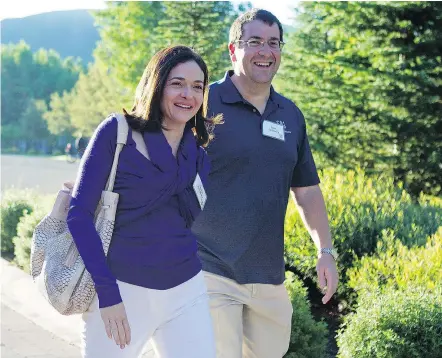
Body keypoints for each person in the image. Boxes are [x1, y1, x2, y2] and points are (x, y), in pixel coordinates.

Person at [191, 9, 339, 358]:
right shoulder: (202, 102)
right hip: (206, 267)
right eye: (254, 41)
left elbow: (306, 190)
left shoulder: (290, 115)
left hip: (268, 276)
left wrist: (325, 251)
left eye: (274, 43)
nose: (265, 51)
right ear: (233, 49)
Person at [67, 45, 221, 358]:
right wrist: (108, 295)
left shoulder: (199, 155)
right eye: (177, 83)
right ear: (157, 83)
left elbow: (185, 222)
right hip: (121, 289)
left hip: (186, 289)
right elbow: (79, 215)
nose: (187, 95)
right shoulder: (117, 133)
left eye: (197, 87)